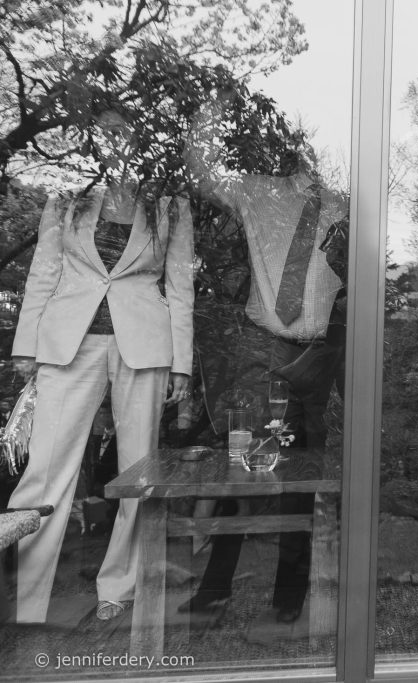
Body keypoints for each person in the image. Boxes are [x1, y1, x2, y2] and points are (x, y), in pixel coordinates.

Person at [8, 108, 194, 622]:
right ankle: (28, 603)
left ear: (141, 145)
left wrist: (181, 361)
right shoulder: (68, 199)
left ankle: (119, 587)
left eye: (127, 137)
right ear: (93, 145)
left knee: (139, 470)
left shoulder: (170, 206)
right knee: (45, 470)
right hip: (69, 342)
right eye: (107, 138)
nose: (117, 146)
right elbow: (44, 271)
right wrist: (26, 345)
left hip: (145, 345)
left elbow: (181, 287)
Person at [179, 99, 347, 624]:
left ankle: (288, 597)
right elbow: (202, 176)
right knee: (243, 471)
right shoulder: (258, 193)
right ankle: (214, 591)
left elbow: (365, 280)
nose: (315, 155)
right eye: (307, 144)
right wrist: (202, 120)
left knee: (304, 477)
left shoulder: (347, 206)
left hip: (317, 357)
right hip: (262, 351)